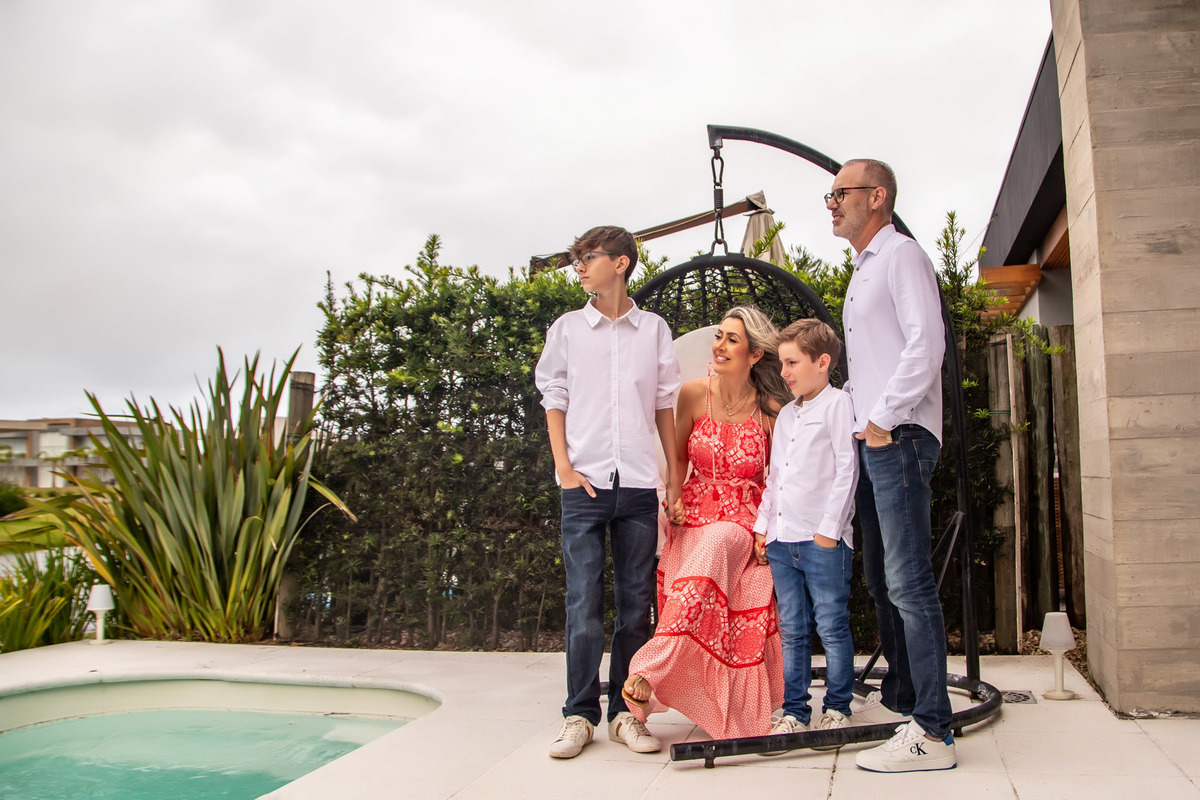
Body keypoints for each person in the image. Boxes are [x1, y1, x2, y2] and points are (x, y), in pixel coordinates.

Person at [534, 225, 682, 759]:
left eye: (587, 257)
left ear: (620, 263)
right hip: (584, 486)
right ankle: (578, 714)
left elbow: (664, 406)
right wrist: (564, 468)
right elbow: (554, 397)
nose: (579, 266)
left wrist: (673, 475)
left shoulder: (654, 330)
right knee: (584, 604)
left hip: (639, 484)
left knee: (637, 606)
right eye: (577, 258)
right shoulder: (567, 329)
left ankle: (626, 714)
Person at [828, 159, 956, 772]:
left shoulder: (902, 255)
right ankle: (904, 697)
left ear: (877, 196)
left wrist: (881, 420)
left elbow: (926, 345)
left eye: (841, 193)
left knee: (908, 582)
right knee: (880, 579)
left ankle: (932, 731)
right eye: (829, 195)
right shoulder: (863, 270)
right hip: (874, 437)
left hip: (899, 437)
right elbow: (873, 364)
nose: (832, 203)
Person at [621, 305, 792, 740]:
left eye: (732, 339)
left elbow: (782, 478)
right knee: (700, 553)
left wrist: (768, 530)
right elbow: (677, 457)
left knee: (718, 541)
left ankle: (651, 667)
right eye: (719, 336)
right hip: (693, 514)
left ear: (755, 354)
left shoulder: (771, 409)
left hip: (743, 518)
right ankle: (664, 687)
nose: (720, 345)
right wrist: (673, 497)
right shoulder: (694, 393)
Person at [752, 318, 858, 749]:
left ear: (822, 362)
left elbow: (847, 470)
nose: (785, 372)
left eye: (792, 362)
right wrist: (764, 528)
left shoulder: (838, 405)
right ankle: (794, 711)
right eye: (782, 363)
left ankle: (838, 708)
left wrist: (829, 532)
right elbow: (775, 477)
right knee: (793, 629)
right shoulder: (787, 415)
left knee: (831, 625)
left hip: (822, 541)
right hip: (783, 539)